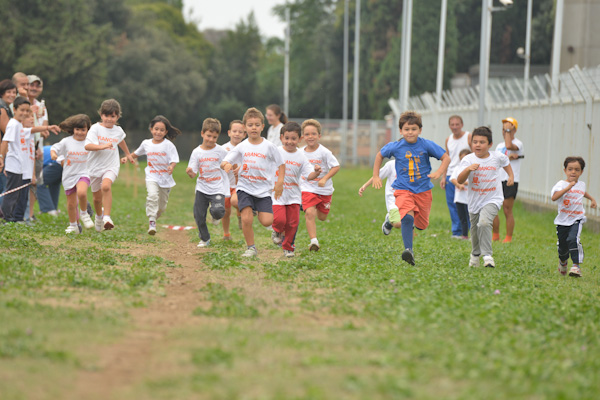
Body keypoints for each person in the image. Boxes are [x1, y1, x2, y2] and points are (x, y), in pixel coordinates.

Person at [372, 111, 450, 266]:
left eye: (413, 129)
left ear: (420, 130)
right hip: (403, 190)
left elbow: (445, 157)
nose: (410, 132)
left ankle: (392, 221)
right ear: (400, 131)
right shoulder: (396, 146)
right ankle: (408, 250)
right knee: (407, 217)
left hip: (423, 191)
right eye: (406, 129)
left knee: (422, 225)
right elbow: (379, 155)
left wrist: (439, 172)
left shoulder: (426, 144)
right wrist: (375, 176)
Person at [221, 107, 285, 257]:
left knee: (267, 221)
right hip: (245, 188)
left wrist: (280, 182)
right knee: (246, 218)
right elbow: (225, 161)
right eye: (250, 125)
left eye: (257, 125)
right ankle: (251, 248)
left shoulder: (269, 146)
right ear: (244, 128)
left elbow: (281, 164)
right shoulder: (242, 146)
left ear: (262, 127)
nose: (254, 128)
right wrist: (226, 165)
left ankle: (273, 227)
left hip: (263, 190)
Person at [457, 126, 514, 268]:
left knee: (484, 223)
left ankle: (488, 256)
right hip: (475, 201)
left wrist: (511, 176)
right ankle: (475, 255)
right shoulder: (468, 160)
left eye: (482, 142)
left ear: (489, 144)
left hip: (493, 199)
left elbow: (506, 162)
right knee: (475, 230)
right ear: (471, 144)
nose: (477, 145)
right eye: (475, 142)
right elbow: (459, 179)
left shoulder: (497, 157)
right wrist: (468, 170)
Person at [0, 97, 59, 222]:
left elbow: (32, 129)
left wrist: (47, 127)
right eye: (22, 110)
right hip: (14, 167)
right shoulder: (12, 124)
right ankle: (7, 219)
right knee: (12, 194)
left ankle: (18, 218)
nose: (25, 113)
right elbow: (5, 141)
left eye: (28, 111)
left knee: (21, 196)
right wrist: (1, 158)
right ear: (14, 109)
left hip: (22, 168)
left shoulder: (19, 126)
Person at [271, 121, 321, 257]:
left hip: (294, 196)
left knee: (293, 223)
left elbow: (308, 175)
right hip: (278, 195)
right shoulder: (276, 151)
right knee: (280, 220)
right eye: (286, 138)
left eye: (294, 139)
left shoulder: (301, 156)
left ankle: (288, 248)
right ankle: (276, 230)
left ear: (300, 139)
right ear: (281, 138)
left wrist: (316, 173)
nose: (290, 142)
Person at [84, 99, 134, 231]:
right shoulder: (95, 128)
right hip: (94, 167)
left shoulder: (118, 130)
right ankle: (99, 217)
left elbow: (120, 140)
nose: (109, 119)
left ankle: (107, 217)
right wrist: (102, 146)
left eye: (113, 116)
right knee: (96, 198)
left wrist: (128, 154)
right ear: (101, 115)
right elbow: (88, 146)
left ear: (117, 116)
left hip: (111, 165)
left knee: (106, 186)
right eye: (106, 115)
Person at [127, 115, 180, 235]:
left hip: (165, 179)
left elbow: (174, 160)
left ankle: (154, 216)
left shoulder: (168, 145)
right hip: (151, 176)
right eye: (156, 129)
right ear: (151, 129)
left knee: (161, 207)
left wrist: (171, 166)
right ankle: (151, 221)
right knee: (152, 196)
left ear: (166, 131)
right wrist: (127, 157)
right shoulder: (146, 143)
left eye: (162, 130)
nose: (158, 132)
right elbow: (136, 153)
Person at [551, 156, 597, 278]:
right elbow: (554, 197)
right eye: (570, 169)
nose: (573, 172)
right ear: (565, 170)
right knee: (562, 247)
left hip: (577, 219)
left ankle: (576, 265)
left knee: (573, 239)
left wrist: (592, 199)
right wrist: (568, 187)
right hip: (562, 221)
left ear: (581, 172)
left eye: (577, 170)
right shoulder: (561, 184)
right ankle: (563, 261)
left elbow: (582, 192)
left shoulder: (581, 184)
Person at [187, 118, 229, 247]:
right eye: (208, 136)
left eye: (214, 137)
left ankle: (216, 216)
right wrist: (190, 173)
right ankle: (205, 239)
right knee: (198, 216)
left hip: (217, 188)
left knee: (217, 210)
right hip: (202, 189)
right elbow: (193, 173)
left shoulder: (221, 151)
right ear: (202, 134)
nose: (211, 139)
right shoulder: (196, 152)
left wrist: (230, 166)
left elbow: (229, 162)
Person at [299, 119, 340, 251]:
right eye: (307, 134)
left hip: (324, 189)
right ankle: (314, 241)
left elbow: (336, 166)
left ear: (319, 136)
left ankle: (311, 205)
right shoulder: (299, 152)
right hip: (307, 187)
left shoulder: (324, 152)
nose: (310, 137)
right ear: (302, 136)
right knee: (310, 213)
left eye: (313, 134)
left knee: (322, 217)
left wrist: (325, 178)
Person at [51, 114, 95, 233]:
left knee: (81, 192)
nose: (80, 132)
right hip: (69, 175)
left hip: (84, 173)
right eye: (77, 129)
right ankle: (74, 226)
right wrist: (54, 155)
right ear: (73, 129)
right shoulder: (66, 141)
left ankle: (84, 214)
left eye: (83, 130)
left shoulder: (90, 142)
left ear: (88, 130)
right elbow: (54, 148)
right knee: (71, 204)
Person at [493, 117, 523, 243]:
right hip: (498, 179)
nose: (505, 131)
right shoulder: (499, 146)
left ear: (514, 130)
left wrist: (508, 133)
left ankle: (508, 237)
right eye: (503, 129)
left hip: (511, 179)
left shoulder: (518, 143)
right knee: (493, 207)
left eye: (508, 129)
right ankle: (495, 235)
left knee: (507, 208)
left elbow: (509, 145)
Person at [441, 115, 471, 238]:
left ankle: (468, 230)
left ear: (462, 125)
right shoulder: (449, 139)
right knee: (453, 205)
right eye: (452, 124)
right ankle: (457, 231)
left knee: (467, 205)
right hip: (451, 176)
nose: (455, 127)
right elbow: (446, 159)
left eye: (457, 124)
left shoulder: (468, 136)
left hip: (466, 176)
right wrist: (443, 177)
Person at [26, 75, 50, 222]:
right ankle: (18, 214)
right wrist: (39, 130)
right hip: (25, 149)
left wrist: (40, 130)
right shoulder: (20, 104)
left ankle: (30, 214)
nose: (34, 88)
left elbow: (45, 129)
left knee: (35, 182)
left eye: (37, 86)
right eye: (31, 85)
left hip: (38, 150)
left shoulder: (41, 105)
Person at [220, 119, 246, 238]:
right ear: (229, 132)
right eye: (234, 131)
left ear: (244, 134)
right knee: (226, 211)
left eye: (240, 132)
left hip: (240, 184)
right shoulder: (223, 148)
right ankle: (226, 233)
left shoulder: (247, 148)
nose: (237, 134)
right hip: (226, 184)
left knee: (236, 201)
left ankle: (240, 215)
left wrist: (241, 167)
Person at [358, 160, 398, 235]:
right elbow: (377, 175)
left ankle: (409, 246)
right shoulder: (391, 165)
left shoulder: (413, 164)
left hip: (407, 198)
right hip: (393, 199)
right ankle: (389, 220)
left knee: (409, 221)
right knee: (398, 224)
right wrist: (365, 185)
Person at [0, 79, 18, 202]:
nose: (12, 95)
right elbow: (8, 132)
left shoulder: (7, 107)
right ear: (2, 93)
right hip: (3, 152)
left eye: (14, 92)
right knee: (6, 186)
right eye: (9, 92)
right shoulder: (2, 108)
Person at [449, 149, 472, 239]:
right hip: (459, 198)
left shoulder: (472, 169)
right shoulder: (458, 168)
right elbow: (453, 178)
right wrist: (459, 184)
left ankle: (474, 235)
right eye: (461, 158)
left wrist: (465, 183)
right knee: (462, 217)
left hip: (468, 198)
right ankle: (465, 235)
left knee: (470, 217)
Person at [36, 145, 62, 215]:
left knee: (39, 182)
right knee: (54, 184)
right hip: (61, 163)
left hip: (56, 163)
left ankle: (48, 209)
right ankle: (53, 209)